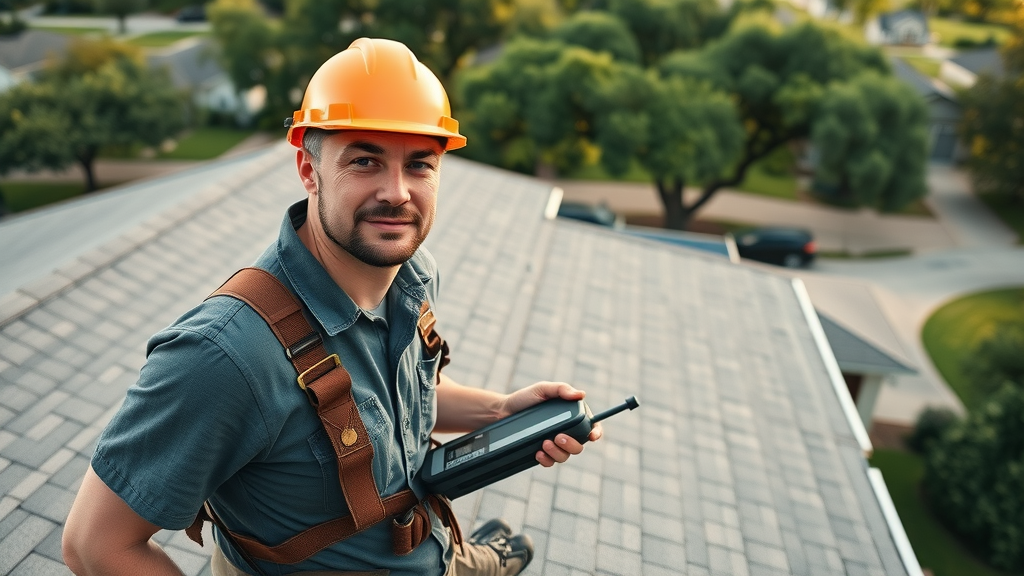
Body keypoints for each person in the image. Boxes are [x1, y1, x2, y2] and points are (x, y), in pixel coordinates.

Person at [62, 38, 601, 576]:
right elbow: (94, 545)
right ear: (308, 168)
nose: (397, 192)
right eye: (364, 161)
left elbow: (400, 399)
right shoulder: (226, 356)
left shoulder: (414, 275)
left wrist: (502, 411)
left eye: (420, 165)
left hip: (418, 547)